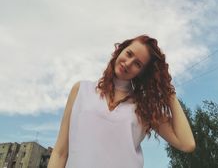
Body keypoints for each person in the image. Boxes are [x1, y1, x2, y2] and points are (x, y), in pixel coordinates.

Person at [48, 35, 195, 168]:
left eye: (138, 64)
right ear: (120, 50)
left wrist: (169, 93)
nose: (129, 63)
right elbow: (60, 153)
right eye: (129, 54)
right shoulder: (81, 90)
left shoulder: (144, 107)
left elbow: (187, 144)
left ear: (142, 73)